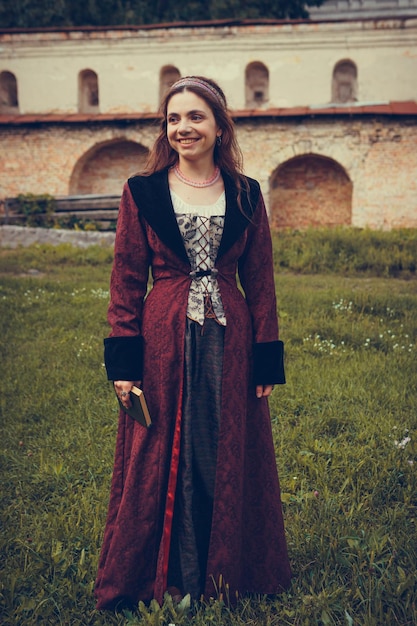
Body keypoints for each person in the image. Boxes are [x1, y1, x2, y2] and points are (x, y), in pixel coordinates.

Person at [94, 76, 291, 611]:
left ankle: (224, 569)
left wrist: (267, 361)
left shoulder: (247, 193)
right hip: (163, 339)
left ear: (220, 125)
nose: (184, 127)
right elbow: (127, 282)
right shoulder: (143, 192)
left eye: (196, 117)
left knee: (220, 448)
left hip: (233, 342)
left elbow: (262, 280)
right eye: (174, 118)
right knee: (161, 451)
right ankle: (170, 575)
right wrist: (124, 363)